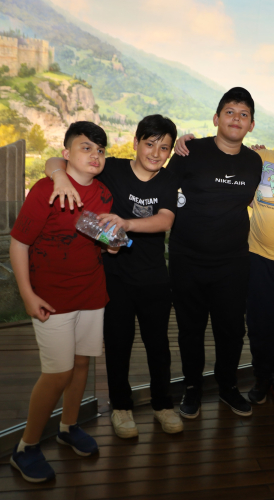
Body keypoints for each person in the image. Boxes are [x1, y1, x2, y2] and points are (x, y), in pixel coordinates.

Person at [175, 106, 274, 413]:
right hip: (256, 258)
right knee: (258, 326)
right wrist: (186, 141)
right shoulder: (259, 158)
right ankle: (261, 379)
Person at [44, 115, 183, 439]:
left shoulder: (167, 180)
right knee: (118, 345)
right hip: (114, 276)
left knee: (158, 346)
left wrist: (126, 223)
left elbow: (165, 220)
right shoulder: (113, 169)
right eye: (150, 144)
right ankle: (121, 407)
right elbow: (57, 160)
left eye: (164, 147)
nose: (156, 153)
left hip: (154, 278)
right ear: (135, 143)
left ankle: (163, 405)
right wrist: (59, 177)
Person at [9, 121, 111, 483]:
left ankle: (68, 427)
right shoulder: (45, 190)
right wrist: (27, 294)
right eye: (86, 147)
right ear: (66, 153)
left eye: (100, 150)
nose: (95, 155)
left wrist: (112, 242)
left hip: (91, 293)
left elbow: (99, 238)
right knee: (57, 373)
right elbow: (19, 243)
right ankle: (27, 447)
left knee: (82, 364)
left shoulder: (104, 194)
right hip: (51, 299)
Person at [167, 87, 263, 419]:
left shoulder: (254, 161)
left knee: (231, 330)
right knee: (190, 329)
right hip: (187, 258)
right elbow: (162, 187)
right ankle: (192, 387)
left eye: (244, 114)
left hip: (232, 262)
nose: (236, 119)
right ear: (216, 118)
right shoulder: (190, 150)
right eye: (230, 112)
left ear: (251, 125)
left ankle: (228, 386)